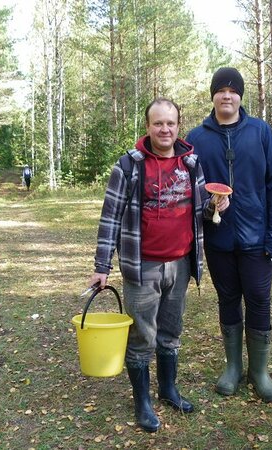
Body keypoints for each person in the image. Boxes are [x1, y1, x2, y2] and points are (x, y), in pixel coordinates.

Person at [87, 98, 228, 432]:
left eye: (170, 123)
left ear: (179, 126)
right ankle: (143, 403)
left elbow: (202, 216)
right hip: (143, 267)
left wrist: (216, 205)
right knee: (141, 338)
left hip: (179, 264)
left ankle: (168, 390)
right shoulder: (129, 166)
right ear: (147, 126)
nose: (165, 130)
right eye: (158, 123)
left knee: (170, 333)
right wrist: (101, 266)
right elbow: (111, 218)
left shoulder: (192, 164)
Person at [186, 67, 272, 403]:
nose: (226, 95)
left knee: (259, 300)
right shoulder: (196, 139)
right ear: (212, 95)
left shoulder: (260, 132)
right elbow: (189, 192)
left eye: (233, 90)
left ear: (240, 96)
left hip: (257, 238)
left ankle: (259, 372)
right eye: (220, 90)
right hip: (219, 239)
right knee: (228, 299)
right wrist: (206, 211)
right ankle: (233, 367)